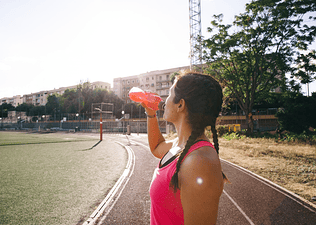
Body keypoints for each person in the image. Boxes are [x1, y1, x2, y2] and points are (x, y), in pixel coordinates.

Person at [142, 71, 227, 225]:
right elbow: (156, 147)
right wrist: (150, 114)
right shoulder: (180, 145)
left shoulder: (199, 162)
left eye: (169, 94)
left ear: (180, 104)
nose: (164, 101)